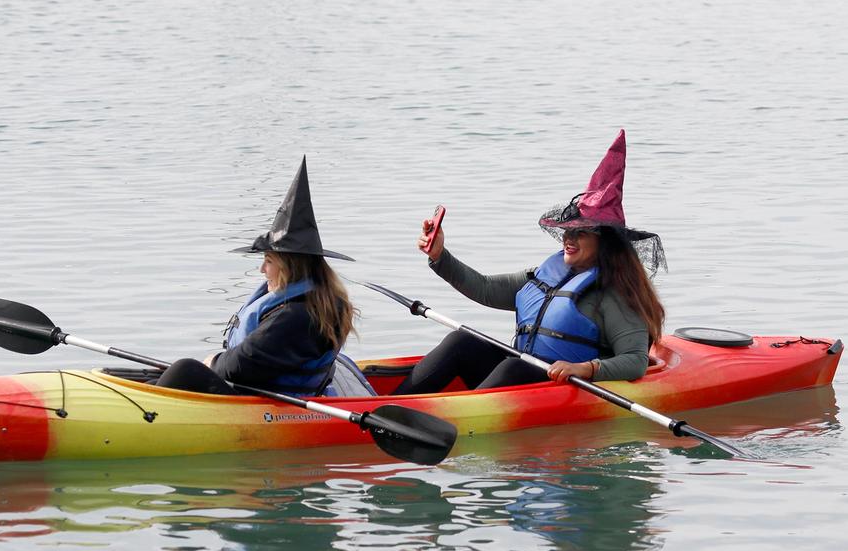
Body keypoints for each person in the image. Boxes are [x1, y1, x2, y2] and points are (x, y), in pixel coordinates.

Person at [393, 130, 667, 395]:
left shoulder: (615, 293)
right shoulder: (544, 276)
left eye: (580, 232)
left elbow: (635, 361)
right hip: (525, 379)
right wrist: (440, 256)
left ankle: (455, 417)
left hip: (568, 387)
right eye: (567, 231)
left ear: (605, 242)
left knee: (516, 366)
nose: (568, 238)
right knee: (462, 341)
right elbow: (484, 288)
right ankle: (389, 406)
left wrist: (584, 368)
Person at [156, 157, 371, 397]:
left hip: (274, 407)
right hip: (262, 392)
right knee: (165, 372)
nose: (262, 270)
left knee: (185, 370)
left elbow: (240, 367)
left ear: (292, 267)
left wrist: (213, 361)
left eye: (268, 261)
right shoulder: (307, 302)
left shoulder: (297, 316)